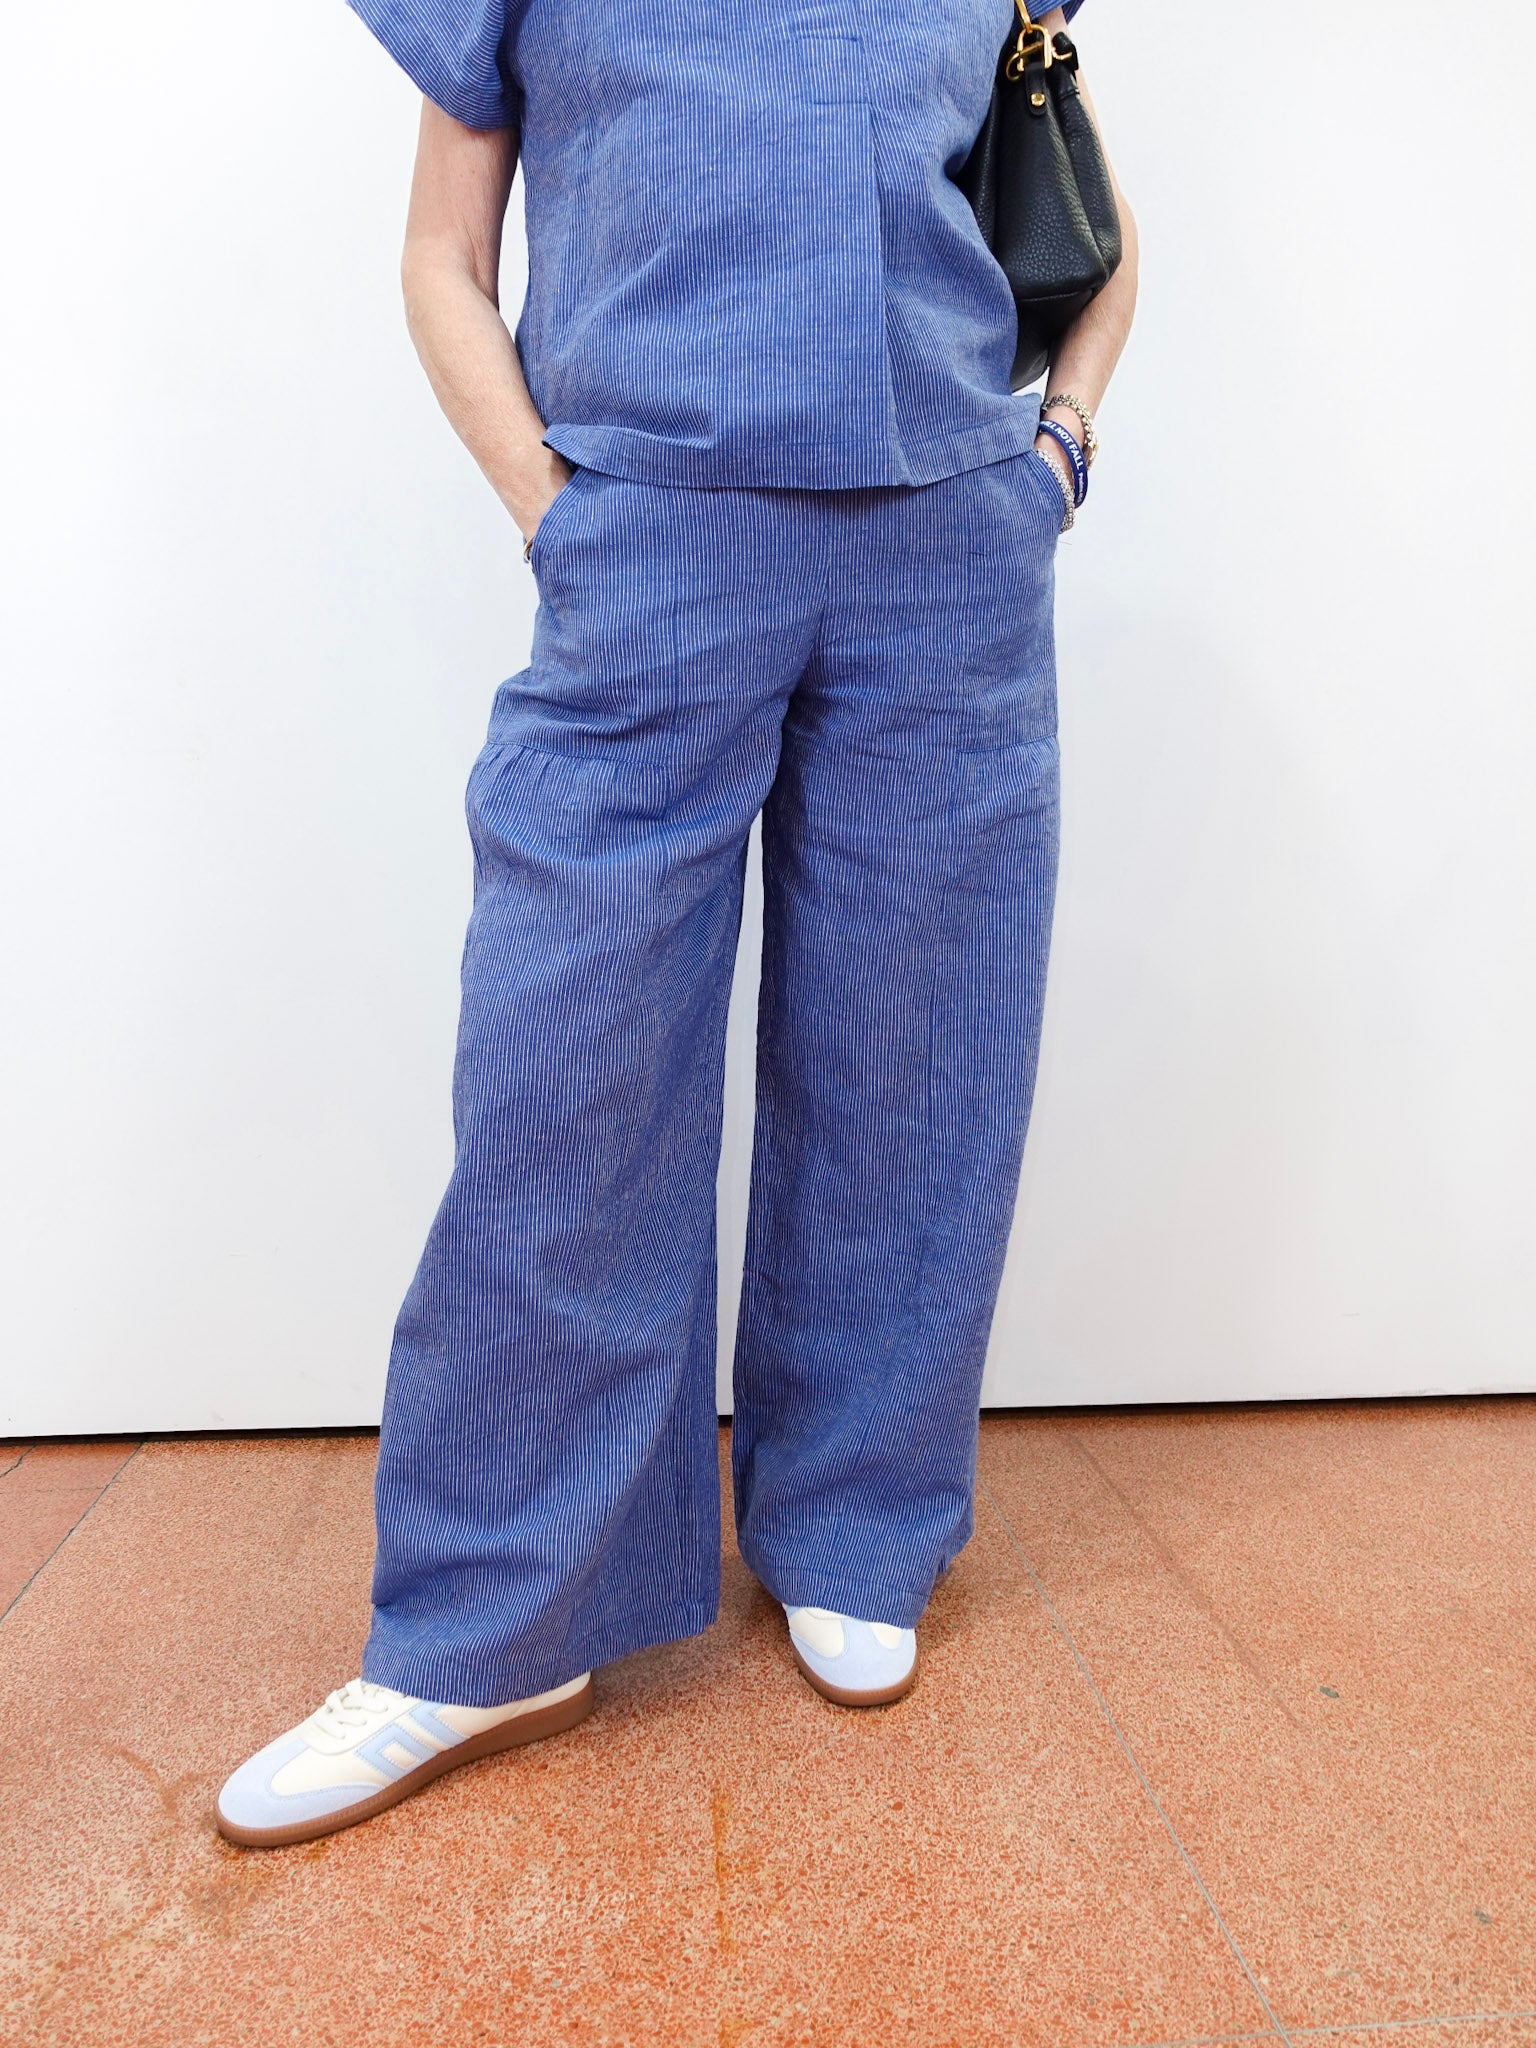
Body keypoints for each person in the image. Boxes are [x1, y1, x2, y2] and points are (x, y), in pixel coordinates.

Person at [216, 0, 1137, 1848]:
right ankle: (488, 1628)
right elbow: (442, 254)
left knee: (915, 1069)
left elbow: (1082, 201)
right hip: (649, 535)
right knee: (565, 1068)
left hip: (952, 548)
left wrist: (1058, 456)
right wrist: (560, 515)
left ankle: (856, 1525)